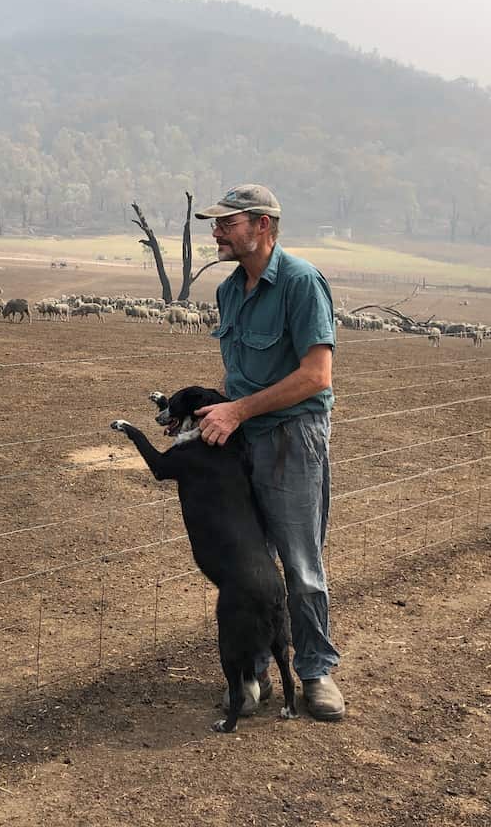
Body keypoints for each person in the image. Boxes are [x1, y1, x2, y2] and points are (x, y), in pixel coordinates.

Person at [192, 184, 344, 721]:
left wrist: (238, 411)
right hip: (244, 442)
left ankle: (315, 670)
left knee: (300, 563)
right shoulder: (230, 291)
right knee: (252, 563)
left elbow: (315, 376)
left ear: (262, 225)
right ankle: (254, 668)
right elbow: (240, 375)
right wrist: (215, 411)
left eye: (226, 223)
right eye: (215, 224)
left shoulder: (301, 282)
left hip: (291, 438)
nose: (216, 232)